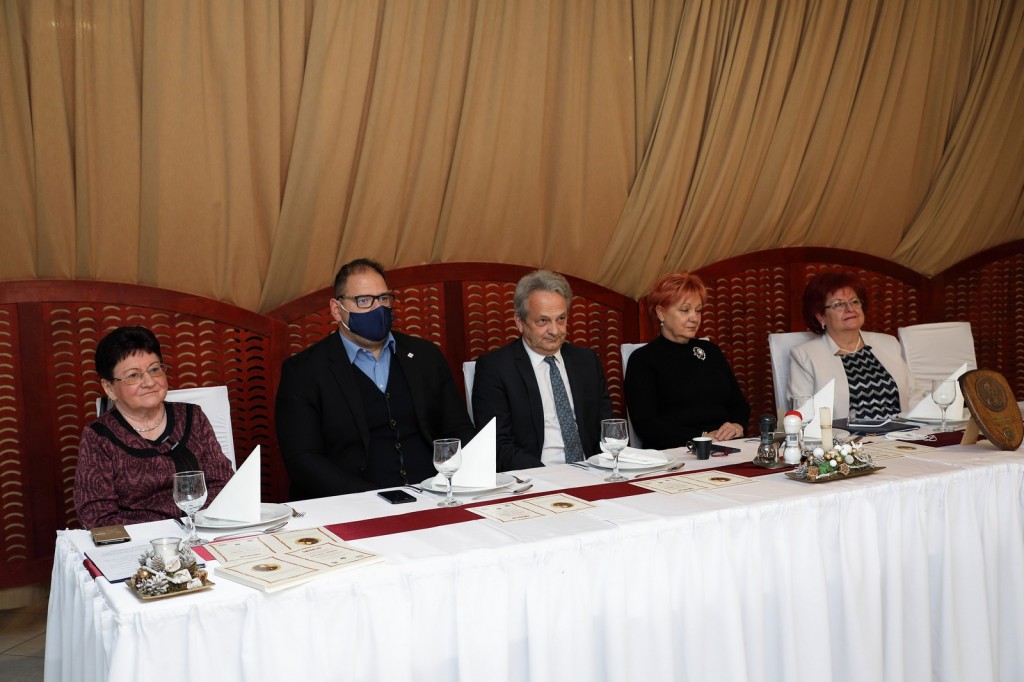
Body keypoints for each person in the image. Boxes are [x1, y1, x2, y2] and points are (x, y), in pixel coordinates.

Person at [275, 258, 475, 499]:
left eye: (384, 298)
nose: (378, 308)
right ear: (337, 309)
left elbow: (458, 430)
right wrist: (370, 499)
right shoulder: (304, 371)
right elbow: (303, 460)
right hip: (352, 503)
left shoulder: (425, 356)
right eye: (364, 300)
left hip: (433, 493)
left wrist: (455, 482)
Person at [74, 326, 233, 529]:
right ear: (109, 388)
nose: (149, 382)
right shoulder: (99, 436)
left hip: (202, 531)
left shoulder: (193, 416)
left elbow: (223, 483)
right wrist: (167, 531)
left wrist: (198, 525)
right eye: (133, 375)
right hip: (140, 542)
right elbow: (97, 516)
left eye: (154, 369)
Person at [472, 270, 613, 470]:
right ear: (519, 322)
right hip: (535, 475)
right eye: (543, 321)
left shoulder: (586, 361)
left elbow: (607, 428)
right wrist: (548, 475)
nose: (555, 331)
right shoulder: (496, 368)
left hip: (592, 471)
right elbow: (497, 445)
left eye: (561, 319)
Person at [624, 273, 750, 449]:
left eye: (698, 310)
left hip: (726, 447)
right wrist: (702, 437)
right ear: (661, 313)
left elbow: (739, 405)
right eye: (685, 310)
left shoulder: (711, 351)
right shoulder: (643, 360)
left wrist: (737, 425)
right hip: (675, 452)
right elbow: (646, 425)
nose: (694, 318)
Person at [789, 271, 923, 420]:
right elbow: (803, 414)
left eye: (854, 302)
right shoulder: (804, 356)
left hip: (902, 431)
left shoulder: (888, 343)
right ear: (821, 316)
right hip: (844, 434)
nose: (850, 309)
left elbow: (914, 396)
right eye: (838, 304)